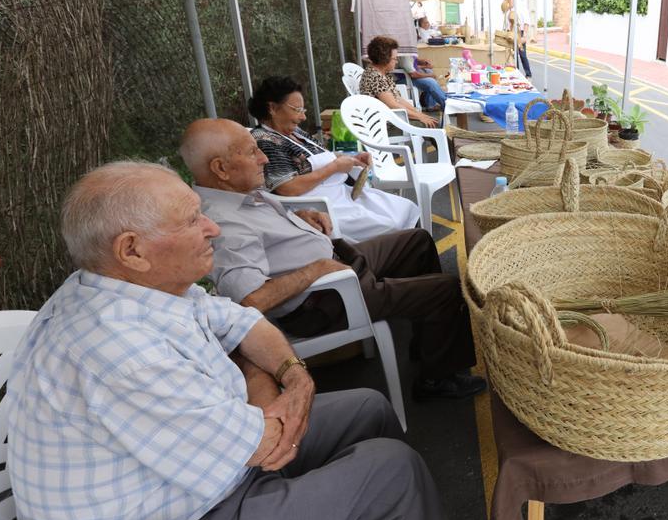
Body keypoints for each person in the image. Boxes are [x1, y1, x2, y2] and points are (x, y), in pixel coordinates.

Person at [6, 161, 450, 520]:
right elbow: (262, 445)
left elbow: (244, 322)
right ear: (133, 250)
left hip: (199, 472)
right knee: (390, 471)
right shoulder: (120, 351)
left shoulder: (141, 286)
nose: (212, 228)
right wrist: (266, 391)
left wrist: (293, 375)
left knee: (367, 408)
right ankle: (385, 514)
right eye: (191, 220)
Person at [181, 118, 486, 400]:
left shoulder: (238, 194)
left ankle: (431, 345)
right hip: (323, 300)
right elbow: (250, 300)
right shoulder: (224, 224)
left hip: (336, 262)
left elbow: (266, 239)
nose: (262, 158)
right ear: (220, 168)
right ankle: (436, 380)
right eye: (251, 152)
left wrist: (300, 217)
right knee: (446, 289)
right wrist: (316, 270)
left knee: (416, 242)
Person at [250, 76, 419, 242]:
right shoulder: (265, 141)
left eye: (303, 110)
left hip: (341, 195)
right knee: (390, 224)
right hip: (319, 207)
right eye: (297, 110)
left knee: (403, 207)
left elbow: (320, 154)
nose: (303, 117)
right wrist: (335, 167)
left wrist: (352, 158)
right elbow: (287, 188)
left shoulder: (294, 132)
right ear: (272, 108)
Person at [359, 35, 440, 128]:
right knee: (434, 125)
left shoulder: (382, 73)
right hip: (385, 122)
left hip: (393, 116)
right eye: (394, 58)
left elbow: (398, 99)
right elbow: (393, 105)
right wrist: (420, 117)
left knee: (432, 122)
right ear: (384, 59)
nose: (396, 61)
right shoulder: (375, 77)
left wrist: (420, 114)